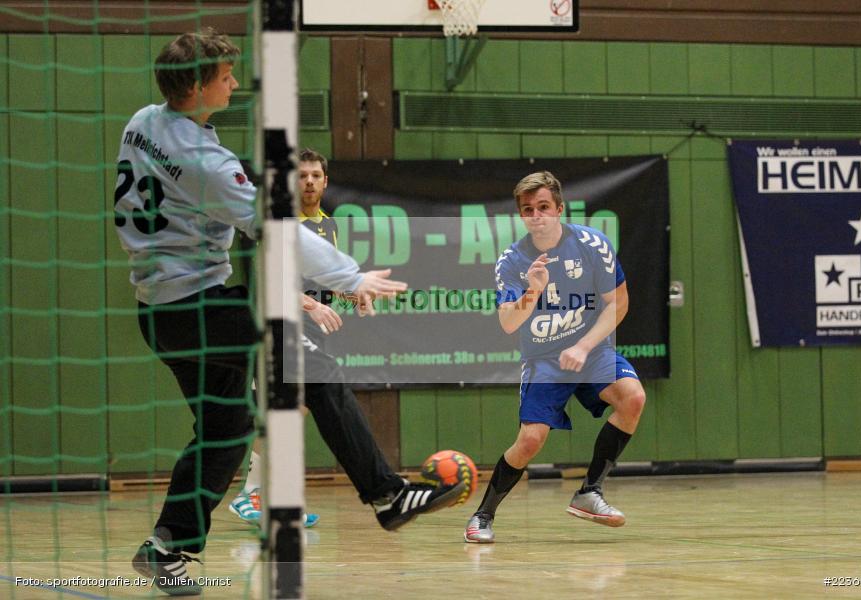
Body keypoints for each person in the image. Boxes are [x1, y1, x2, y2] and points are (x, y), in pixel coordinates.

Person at [115, 30, 463, 596]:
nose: (232, 82)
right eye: (224, 76)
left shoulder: (141, 121)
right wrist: (351, 277)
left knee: (226, 429)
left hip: (159, 313)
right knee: (310, 364)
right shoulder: (206, 161)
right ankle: (388, 495)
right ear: (199, 86)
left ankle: (165, 548)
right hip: (197, 305)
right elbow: (278, 229)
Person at [464, 171, 646, 544]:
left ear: (559, 208)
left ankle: (589, 492)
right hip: (544, 359)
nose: (537, 215)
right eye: (528, 210)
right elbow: (508, 324)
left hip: (591, 349)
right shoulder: (513, 260)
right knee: (530, 440)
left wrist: (583, 345)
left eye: (544, 207)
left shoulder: (592, 245)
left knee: (633, 397)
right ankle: (482, 515)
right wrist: (532, 292)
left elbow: (619, 302)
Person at [229, 148, 336, 528]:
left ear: (325, 181)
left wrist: (355, 293)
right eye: (302, 175)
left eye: (315, 175)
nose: (308, 181)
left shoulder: (327, 226)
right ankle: (250, 495)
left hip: (308, 334)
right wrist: (312, 307)